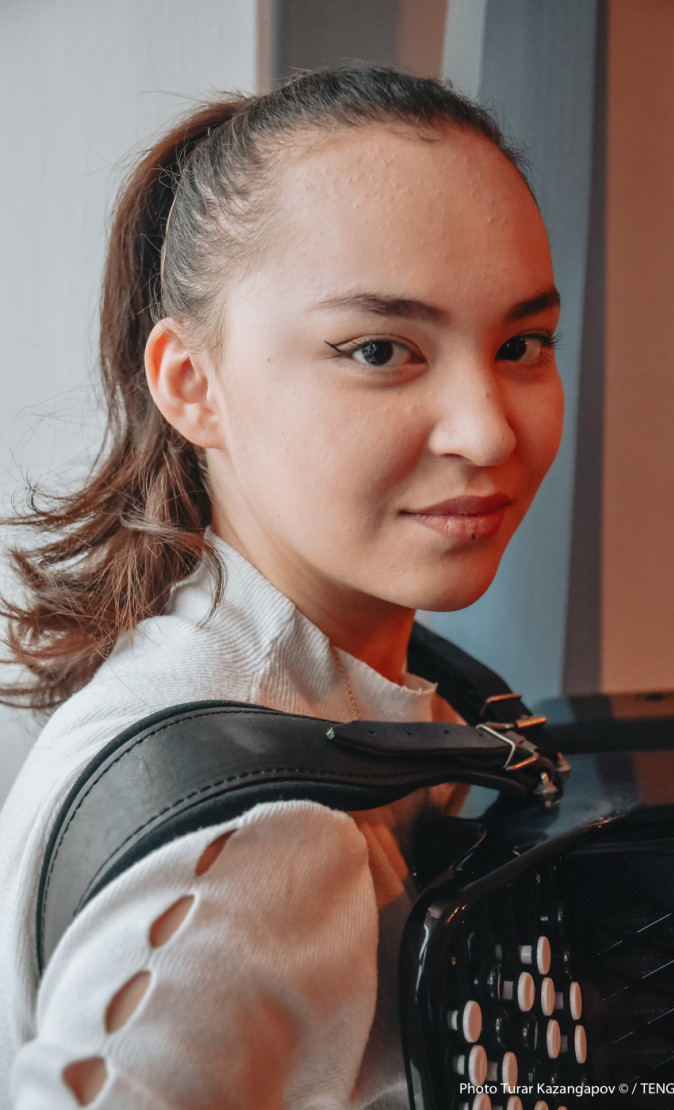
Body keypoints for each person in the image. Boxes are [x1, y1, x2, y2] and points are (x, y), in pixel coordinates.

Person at [0, 66, 563, 1108]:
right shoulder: (256, 846)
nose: (489, 431)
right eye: (381, 350)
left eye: (520, 345)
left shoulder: (296, 679)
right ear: (192, 385)